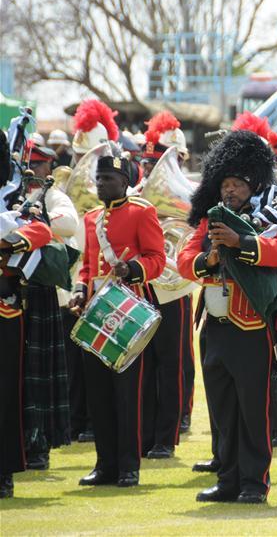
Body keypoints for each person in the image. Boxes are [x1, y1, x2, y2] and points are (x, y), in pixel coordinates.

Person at [177, 130, 277, 504]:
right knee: (222, 409)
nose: (229, 190)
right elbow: (183, 261)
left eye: (237, 184)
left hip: (252, 327)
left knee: (253, 410)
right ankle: (227, 479)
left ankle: (254, 482)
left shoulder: (268, 215)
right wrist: (208, 258)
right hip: (215, 325)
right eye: (225, 183)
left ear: (252, 185)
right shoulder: (209, 221)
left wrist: (240, 242)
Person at [69, 154, 166, 489]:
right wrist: (81, 290)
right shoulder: (92, 217)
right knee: (98, 393)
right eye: (99, 179)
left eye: (108, 179)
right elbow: (87, 265)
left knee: (128, 394)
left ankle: (129, 466)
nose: (101, 185)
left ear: (124, 181)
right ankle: (105, 464)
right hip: (96, 311)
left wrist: (131, 269)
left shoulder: (142, 212)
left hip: (129, 310)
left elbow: (157, 259)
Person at [18, 141, 77, 472]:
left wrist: (30, 224)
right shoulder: (15, 192)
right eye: (29, 165)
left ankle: (40, 444)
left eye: (38, 166)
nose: (32, 172)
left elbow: (68, 224)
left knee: (39, 373)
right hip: (14, 290)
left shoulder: (54, 196)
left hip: (41, 292)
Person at [138, 113, 193, 461]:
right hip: (143, 285)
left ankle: (166, 435)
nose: (148, 165)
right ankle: (144, 431)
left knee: (171, 363)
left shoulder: (188, 194)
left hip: (171, 288)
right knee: (143, 364)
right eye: (146, 160)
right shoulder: (136, 193)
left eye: (154, 160)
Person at [0, 192, 55, 498]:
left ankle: (3, 472)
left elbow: (41, 229)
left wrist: (6, 242)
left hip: (4, 309)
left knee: (6, 394)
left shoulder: (12, 198)